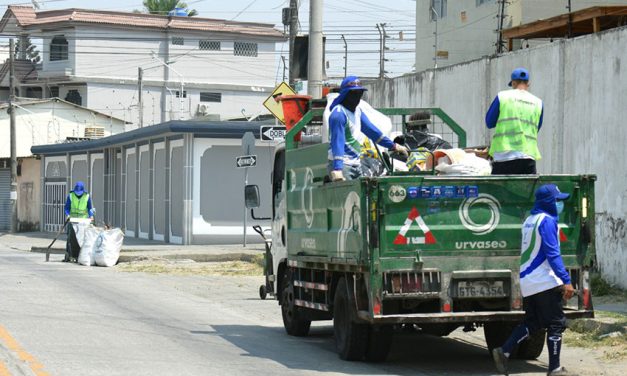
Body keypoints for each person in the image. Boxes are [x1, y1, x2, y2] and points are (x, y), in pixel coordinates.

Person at [492, 184, 576, 376]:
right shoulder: (546, 221)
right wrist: (566, 280)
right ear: (549, 202)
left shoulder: (530, 220)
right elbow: (552, 254)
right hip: (544, 280)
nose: (559, 205)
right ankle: (554, 368)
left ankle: (504, 350)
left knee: (533, 322)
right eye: (557, 201)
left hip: (528, 280)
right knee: (556, 323)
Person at [328, 75, 408, 181]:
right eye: (353, 93)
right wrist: (338, 168)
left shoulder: (357, 112)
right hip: (343, 167)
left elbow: (372, 132)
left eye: (359, 93)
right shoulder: (339, 114)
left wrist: (394, 146)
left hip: (356, 164)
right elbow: (337, 141)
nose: (357, 97)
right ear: (345, 94)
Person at [485, 67, 544, 175]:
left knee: (500, 191)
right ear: (528, 83)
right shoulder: (538, 103)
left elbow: (489, 122)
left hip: (504, 157)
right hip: (528, 158)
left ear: (513, 83)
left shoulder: (502, 97)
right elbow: (536, 128)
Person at [63, 181, 94, 261]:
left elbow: (90, 208)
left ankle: (81, 256)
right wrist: (68, 215)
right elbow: (66, 208)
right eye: (77, 192)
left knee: (82, 239)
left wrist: (91, 216)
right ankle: (70, 255)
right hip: (72, 220)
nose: (78, 194)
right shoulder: (71, 195)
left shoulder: (86, 196)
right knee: (71, 238)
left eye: (79, 192)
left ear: (83, 191)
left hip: (83, 221)